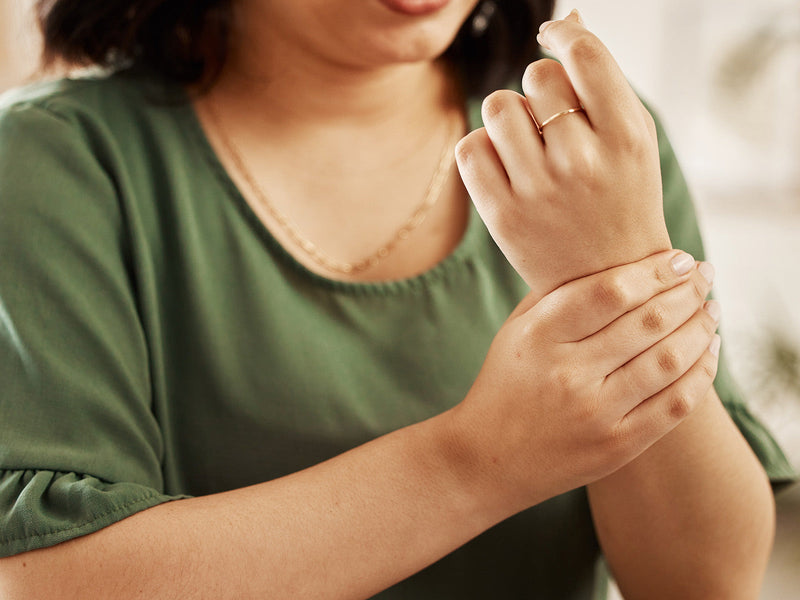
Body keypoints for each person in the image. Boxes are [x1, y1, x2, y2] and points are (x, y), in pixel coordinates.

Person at [0, 0, 794, 598]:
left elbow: (704, 583)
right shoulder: (54, 161)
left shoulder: (588, 147)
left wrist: (615, 270)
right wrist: (485, 459)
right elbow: (48, 580)